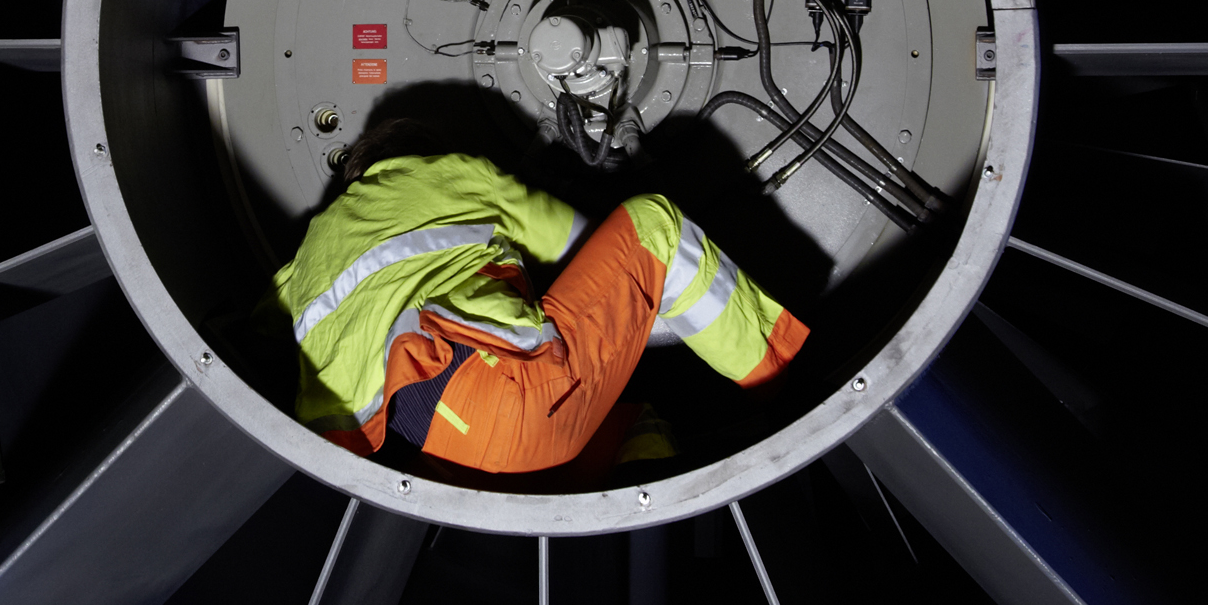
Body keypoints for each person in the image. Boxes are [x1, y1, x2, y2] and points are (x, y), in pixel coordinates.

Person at [280, 124, 812, 477]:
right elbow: (578, 242)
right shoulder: (438, 173)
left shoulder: (302, 267)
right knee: (656, 230)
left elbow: (255, 327)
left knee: (636, 421)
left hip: (458, 455)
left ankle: (650, 498)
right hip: (505, 388)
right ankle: (785, 383)